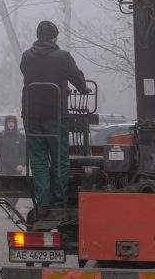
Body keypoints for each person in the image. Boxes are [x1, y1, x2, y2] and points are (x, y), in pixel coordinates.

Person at [19, 21, 89, 209]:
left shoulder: (27, 56)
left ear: (38, 36)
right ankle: (59, 203)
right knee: (59, 159)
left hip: (31, 114)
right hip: (55, 115)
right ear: (54, 37)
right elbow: (77, 78)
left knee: (38, 158)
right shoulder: (63, 57)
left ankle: (43, 203)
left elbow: (24, 71)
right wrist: (84, 89)